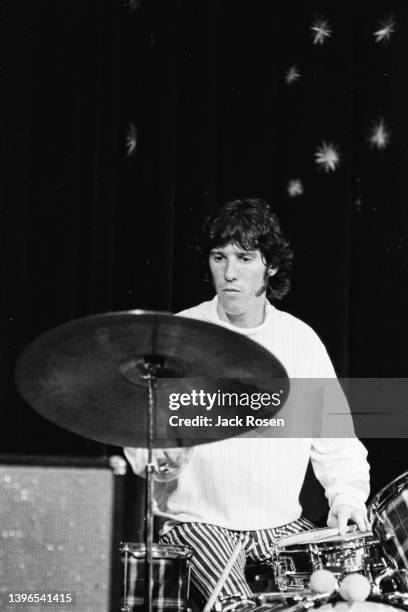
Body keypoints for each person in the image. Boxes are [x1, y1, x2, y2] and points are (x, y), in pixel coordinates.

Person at [124, 198, 370, 607]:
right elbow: (139, 440)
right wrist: (157, 457)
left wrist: (346, 498)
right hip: (199, 524)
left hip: (280, 526)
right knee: (241, 605)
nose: (230, 273)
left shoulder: (300, 341)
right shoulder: (178, 336)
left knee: (338, 601)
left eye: (245, 257)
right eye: (219, 257)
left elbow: (338, 443)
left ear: (270, 266)